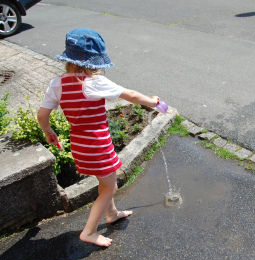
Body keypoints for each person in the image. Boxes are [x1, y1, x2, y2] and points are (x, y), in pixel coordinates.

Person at [37, 28, 162, 247]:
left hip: (79, 144)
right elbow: (131, 95)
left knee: (104, 183)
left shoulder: (57, 84)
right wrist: (152, 102)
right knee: (110, 188)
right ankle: (89, 232)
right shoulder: (93, 82)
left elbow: (42, 114)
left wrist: (49, 132)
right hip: (98, 145)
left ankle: (112, 213)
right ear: (95, 61)